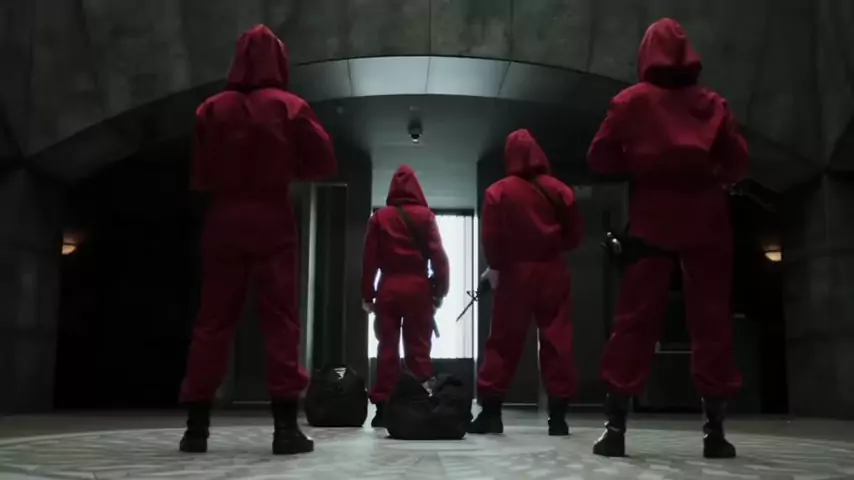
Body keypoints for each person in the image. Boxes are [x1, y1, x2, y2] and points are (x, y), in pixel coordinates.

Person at [587, 18, 749, 459]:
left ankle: (615, 429)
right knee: (712, 321)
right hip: (707, 216)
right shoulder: (712, 104)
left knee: (635, 320)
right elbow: (737, 162)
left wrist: (639, 161)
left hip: (653, 216)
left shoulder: (631, 102)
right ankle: (715, 432)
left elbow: (599, 156)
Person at [178, 25, 337, 455]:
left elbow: (201, 173)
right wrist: (288, 170)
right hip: (272, 216)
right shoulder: (291, 107)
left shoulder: (210, 109)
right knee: (281, 322)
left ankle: (196, 429)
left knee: (212, 322)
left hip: (224, 217)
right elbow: (324, 162)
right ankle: (285, 429)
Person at [468, 129, 584, 436]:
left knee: (503, 341)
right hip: (553, 270)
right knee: (558, 340)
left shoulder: (498, 192)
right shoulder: (561, 191)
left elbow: (491, 238)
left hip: (514, 272)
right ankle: (558, 418)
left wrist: (496, 266)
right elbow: (574, 236)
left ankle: (491, 413)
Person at [361, 165, 450, 428]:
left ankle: (382, 408)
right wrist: (439, 291)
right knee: (419, 348)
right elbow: (439, 258)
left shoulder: (379, 218)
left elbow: (369, 260)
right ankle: (419, 403)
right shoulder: (426, 217)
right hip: (418, 288)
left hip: (389, 287)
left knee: (387, 348)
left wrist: (368, 294)